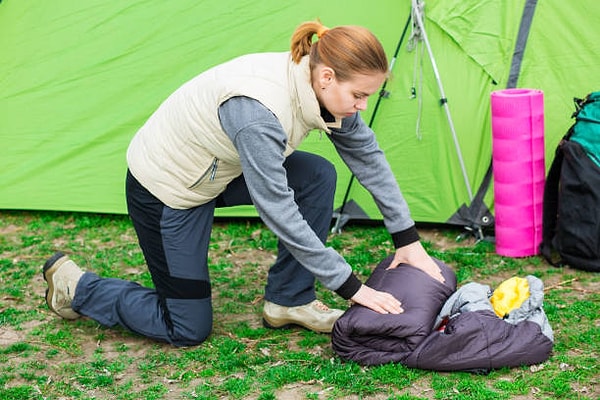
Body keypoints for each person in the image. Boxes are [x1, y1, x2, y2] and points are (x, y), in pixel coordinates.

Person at [43, 20, 445, 347]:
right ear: (326, 77)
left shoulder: (323, 86)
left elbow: (368, 157)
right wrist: (349, 286)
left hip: (220, 172)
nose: (362, 106)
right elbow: (277, 208)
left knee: (318, 176)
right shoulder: (259, 112)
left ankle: (289, 300)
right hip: (168, 191)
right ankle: (77, 287)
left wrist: (407, 241)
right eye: (358, 95)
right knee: (186, 327)